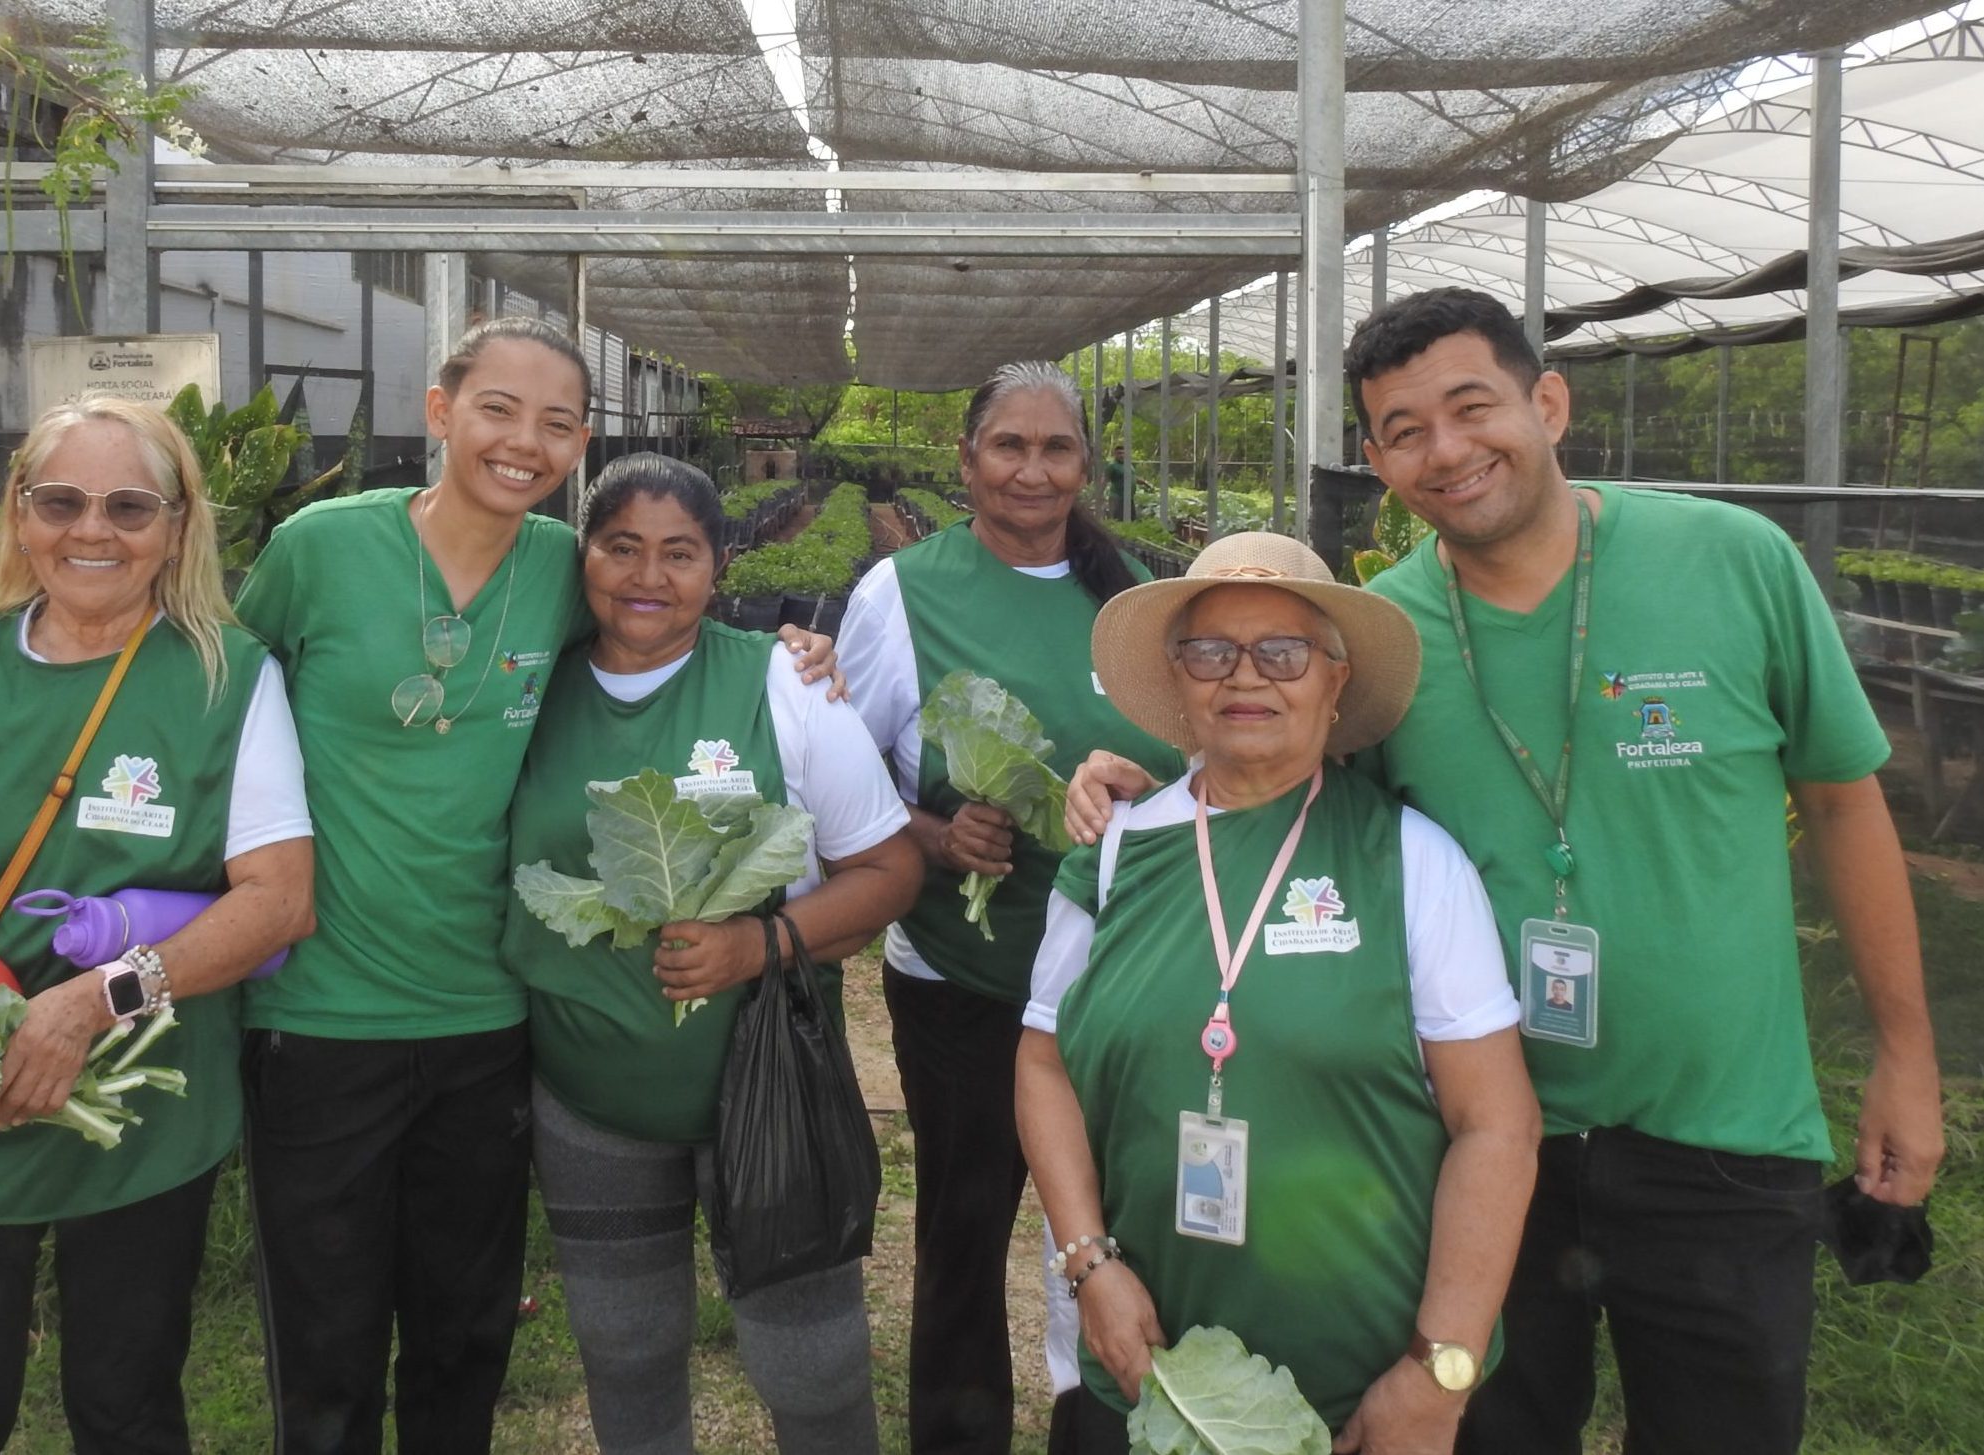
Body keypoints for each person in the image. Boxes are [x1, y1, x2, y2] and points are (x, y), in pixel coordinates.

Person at [1072, 287, 1944, 1455]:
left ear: (1546, 402)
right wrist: (1140, 785)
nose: (1448, 451)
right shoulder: (1382, 644)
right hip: (1474, 1147)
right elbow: (1269, 774)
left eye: (1471, 407)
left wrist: (1903, 1056)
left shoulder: (1730, 562)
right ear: (1377, 460)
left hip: (1722, 1132)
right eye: (1404, 430)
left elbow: (1843, 803)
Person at [234, 317, 840, 1455]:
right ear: (440, 411)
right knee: (325, 1347)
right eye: (498, 410)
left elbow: (659, 622)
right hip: (321, 1008)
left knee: (464, 1340)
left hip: (489, 1015)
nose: (524, 441)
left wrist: (797, 651)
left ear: (581, 442)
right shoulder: (320, 549)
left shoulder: (569, 571)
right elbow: (220, 706)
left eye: (556, 423)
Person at [0, 395, 315, 1454]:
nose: (93, 531)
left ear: (177, 524)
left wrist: (90, 1000)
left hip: (137, 1118)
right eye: (62, 501)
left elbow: (278, 901)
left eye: (130, 506)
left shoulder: (227, 678)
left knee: (124, 1406)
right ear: (19, 514)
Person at [1019, 531, 1539, 1455]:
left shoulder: (1409, 861)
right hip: (1150, 1370)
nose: (1245, 676)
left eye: (1284, 651)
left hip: (1365, 1395)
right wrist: (1087, 1261)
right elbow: (1043, 1062)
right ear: (1178, 679)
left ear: (1336, 681)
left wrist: (1435, 1369)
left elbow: (1495, 1125)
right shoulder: (1114, 852)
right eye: (1211, 650)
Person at [502, 453, 923, 1455]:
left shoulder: (779, 681)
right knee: (625, 1351)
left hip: (768, 1090)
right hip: (588, 1101)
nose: (649, 576)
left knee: (810, 1366)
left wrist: (758, 943)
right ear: (582, 556)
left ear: (720, 564)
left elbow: (890, 870)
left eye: (679, 553)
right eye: (621, 548)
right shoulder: (526, 694)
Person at [838, 361, 1187, 1455]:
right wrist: (939, 839)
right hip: (966, 987)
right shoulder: (903, 593)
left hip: (1115, 993)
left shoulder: (1132, 596)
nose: (1033, 470)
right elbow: (838, 791)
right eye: (1009, 446)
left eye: (1057, 449)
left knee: (1112, 1241)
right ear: (966, 462)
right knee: (963, 1231)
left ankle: (1100, 1428)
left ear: (1085, 464)